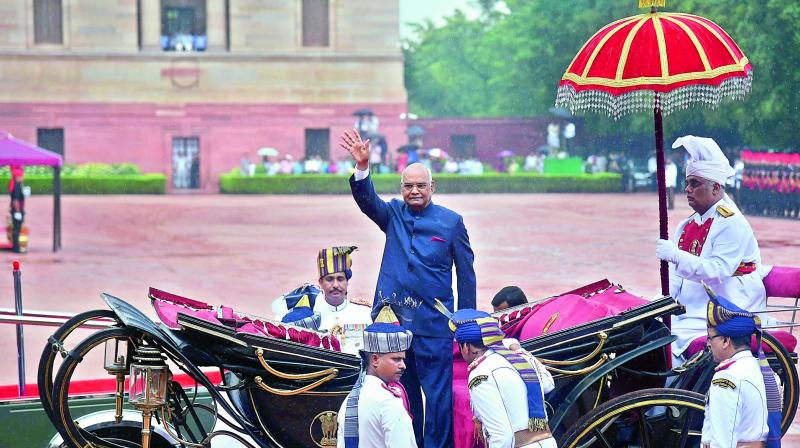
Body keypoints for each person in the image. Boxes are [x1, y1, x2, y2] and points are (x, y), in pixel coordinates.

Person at [342, 129, 477, 448]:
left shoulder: (451, 222)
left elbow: (466, 275)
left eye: (421, 185)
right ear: (401, 188)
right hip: (394, 325)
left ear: (433, 187)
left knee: (439, 400)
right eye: (408, 186)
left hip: (435, 325)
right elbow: (366, 200)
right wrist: (363, 167)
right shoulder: (392, 214)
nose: (414, 191)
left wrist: (466, 322)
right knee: (404, 396)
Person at [657, 136, 766, 366]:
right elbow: (677, 277)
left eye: (695, 183)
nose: (687, 189)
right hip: (693, 307)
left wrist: (676, 255)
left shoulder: (731, 223)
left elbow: (717, 271)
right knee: (651, 330)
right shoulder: (686, 225)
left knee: (669, 342)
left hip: (729, 306)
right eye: (687, 182)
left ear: (716, 187)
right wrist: (659, 303)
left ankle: (666, 399)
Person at [446, 308, 555, 448]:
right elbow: (548, 383)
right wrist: (516, 348)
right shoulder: (520, 359)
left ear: (466, 347)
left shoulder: (480, 374)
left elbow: (502, 436)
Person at [703, 290, 781, 448]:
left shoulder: (727, 379)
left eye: (710, 338)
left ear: (725, 340)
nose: (708, 344)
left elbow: (722, 442)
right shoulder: (762, 371)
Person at [272, 246, 372, 353]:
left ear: (347, 282)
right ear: (320, 282)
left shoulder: (364, 313)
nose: (335, 285)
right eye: (329, 279)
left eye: (340, 279)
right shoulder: (304, 313)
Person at [337, 321, 417, 448]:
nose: (403, 365)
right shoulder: (388, 402)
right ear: (375, 359)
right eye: (396, 359)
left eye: (403, 359)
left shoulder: (349, 400)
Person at [9, 166, 25, 253]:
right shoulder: (16, 186)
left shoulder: (17, 184)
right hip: (17, 210)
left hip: (16, 210)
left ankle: (16, 246)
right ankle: (16, 247)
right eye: (21, 176)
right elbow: (15, 201)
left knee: (17, 228)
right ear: (17, 176)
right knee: (16, 229)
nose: (22, 177)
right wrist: (18, 212)